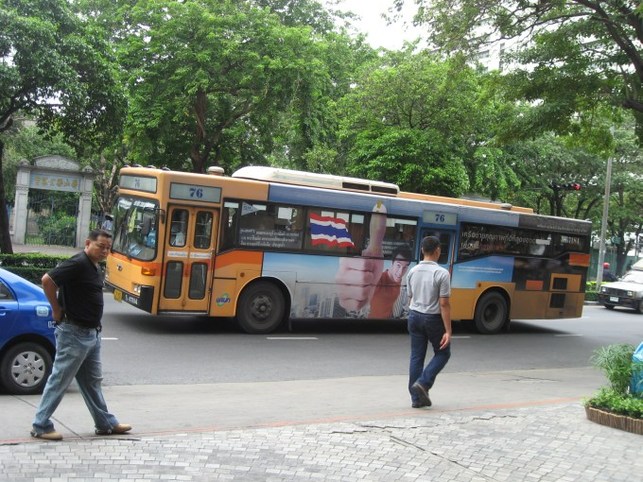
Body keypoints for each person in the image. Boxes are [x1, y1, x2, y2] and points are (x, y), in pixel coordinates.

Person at [31, 229, 131, 441]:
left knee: (92, 381)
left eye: (107, 248)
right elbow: (47, 280)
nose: (105, 251)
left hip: (92, 333)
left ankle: (105, 423)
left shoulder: (93, 266)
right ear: (88, 243)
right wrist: (56, 310)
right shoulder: (77, 263)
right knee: (60, 379)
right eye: (101, 246)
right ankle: (41, 425)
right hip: (74, 332)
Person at [406, 235, 452, 409]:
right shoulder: (441, 273)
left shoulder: (412, 272)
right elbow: (444, 304)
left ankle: (416, 399)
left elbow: (410, 297)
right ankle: (424, 384)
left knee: (416, 356)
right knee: (443, 353)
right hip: (432, 319)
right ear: (438, 251)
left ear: (422, 250)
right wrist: (448, 330)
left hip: (414, 316)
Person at [368, 245, 413, 319]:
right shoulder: (379, 279)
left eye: (405, 267)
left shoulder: (402, 284)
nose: (401, 272)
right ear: (392, 262)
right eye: (398, 265)